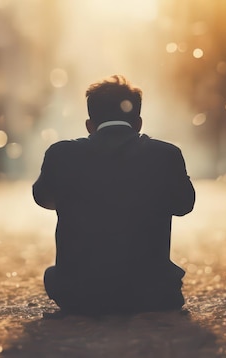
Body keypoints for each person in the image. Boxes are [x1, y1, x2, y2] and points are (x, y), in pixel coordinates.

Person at [33, 75, 195, 315]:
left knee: (52, 275)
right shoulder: (166, 154)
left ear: (89, 125)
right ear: (138, 123)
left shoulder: (61, 154)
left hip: (79, 294)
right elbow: (184, 205)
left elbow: (43, 199)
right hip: (152, 295)